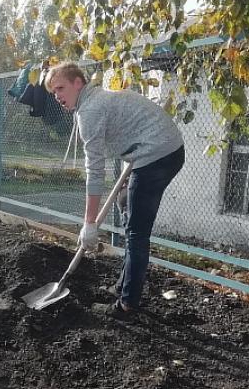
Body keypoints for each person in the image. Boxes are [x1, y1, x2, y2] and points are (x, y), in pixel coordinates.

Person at [45, 61, 185, 318]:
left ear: (78, 83)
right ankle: (123, 285)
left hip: (157, 154)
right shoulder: (93, 100)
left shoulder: (90, 110)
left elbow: (95, 171)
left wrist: (89, 222)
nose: (57, 96)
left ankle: (127, 304)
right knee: (125, 206)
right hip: (150, 150)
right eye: (54, 92)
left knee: (136, 232)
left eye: (60, 88)